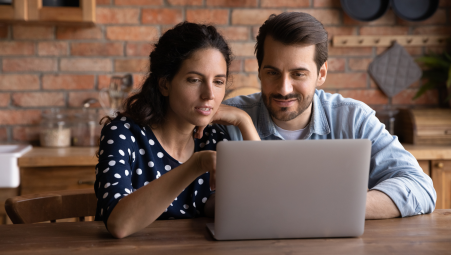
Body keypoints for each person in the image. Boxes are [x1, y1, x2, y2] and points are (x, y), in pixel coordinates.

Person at [213, 12, 436, 219]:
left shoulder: (353, 119)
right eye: (272, 73)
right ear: (260, 71)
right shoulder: (228, 119)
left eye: (298, 74)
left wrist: (330, 206)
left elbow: (419, 187)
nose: (284, 88)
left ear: (321, 74)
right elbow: (202, 199)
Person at [94, 22, 260, 239]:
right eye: (194, 80)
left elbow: (258, 208)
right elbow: (119, 224)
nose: (209, 94)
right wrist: (196, 165)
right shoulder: (123, 134)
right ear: (165, 84)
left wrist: (244, 120)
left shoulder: (214, 138)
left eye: (218, 81)